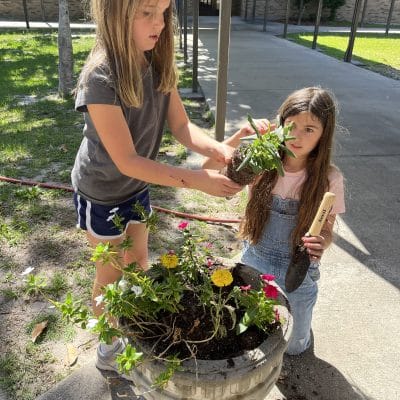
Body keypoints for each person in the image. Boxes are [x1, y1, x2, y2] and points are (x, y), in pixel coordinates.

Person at [71, 0, 243, 376]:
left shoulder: (157, 60)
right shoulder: (100, 77)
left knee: (139, 261)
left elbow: (182, 126)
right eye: (147, 12)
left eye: (164, 11)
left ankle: (133, 328)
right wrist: (196, 180)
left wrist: (218, 150)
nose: (160, 23)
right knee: (110, 275)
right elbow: (127, 160)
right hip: (102, 193)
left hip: (137, 186)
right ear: (116, 14)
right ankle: (108, 345)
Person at [203, 87, 345, 355]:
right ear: (280, 125)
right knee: (246, 333)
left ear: (324, 133)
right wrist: (241, 135)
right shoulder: (259, 162)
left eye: (309, 129)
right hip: (255, 257)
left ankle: (302, 325)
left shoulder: (330, 179)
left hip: (297, 271)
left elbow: (327, 229)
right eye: (291, 126)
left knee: (294, 348)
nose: (297, 136)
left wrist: (322, 242)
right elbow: (207, 169)